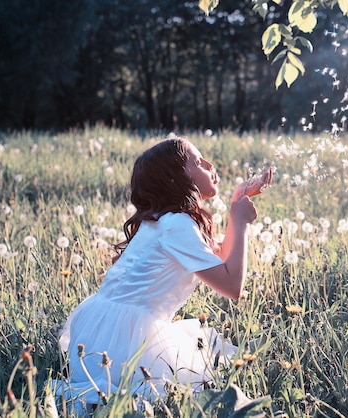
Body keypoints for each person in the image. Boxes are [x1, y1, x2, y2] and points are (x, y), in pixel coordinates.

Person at [56, 135, 273, 410]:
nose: (209, 163)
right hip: (122, 342)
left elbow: (219, 257)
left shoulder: (167, 221)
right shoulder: (177, 226)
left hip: (101, 329)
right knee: (184, 382)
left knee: (204, 360)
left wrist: (237, 201)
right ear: (176, 180)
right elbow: (231, 285)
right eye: (198, 161)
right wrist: (240, 222)